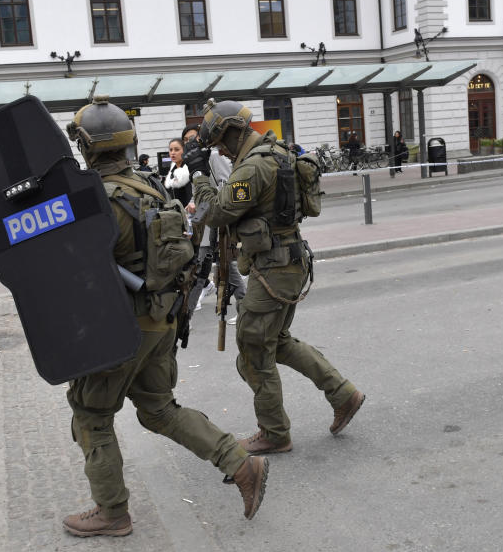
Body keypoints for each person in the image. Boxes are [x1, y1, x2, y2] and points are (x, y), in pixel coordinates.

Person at [60, 96, 268, 537]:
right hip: (160, 323)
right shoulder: (149, 186)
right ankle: (240, 463)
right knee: (157, 409)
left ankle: (112, 512)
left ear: (88, 147)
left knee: (90, 414)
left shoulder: (98, 200)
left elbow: (77, 274)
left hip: (122, 328)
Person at [188, 100, 366, 455]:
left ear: (236, 133)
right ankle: (343, 393)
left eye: (222, 142)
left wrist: (199, 177)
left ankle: (274, 431)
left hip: (275, 267)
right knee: (277, 341)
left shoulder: (254, 166)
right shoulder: (277, 151)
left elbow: (218, 211)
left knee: (253, 351)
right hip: (287, 262)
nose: (220, 150)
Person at [182, 124, 245, 323]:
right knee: (220, 266)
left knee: (202, 268)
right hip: (204, 222)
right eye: (186, 141)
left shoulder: (215, 157)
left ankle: (186, 316)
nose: (190, 144)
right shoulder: (196, 160)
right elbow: (198, 191)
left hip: (216, 221)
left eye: (194, 139)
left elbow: (226, 185)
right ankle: (245, 306)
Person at [164, 138, 192, 204]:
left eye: (176, 150)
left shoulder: (189, 169)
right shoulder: (172, 171)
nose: (173, 153)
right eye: (171, 150)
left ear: (184, 150)